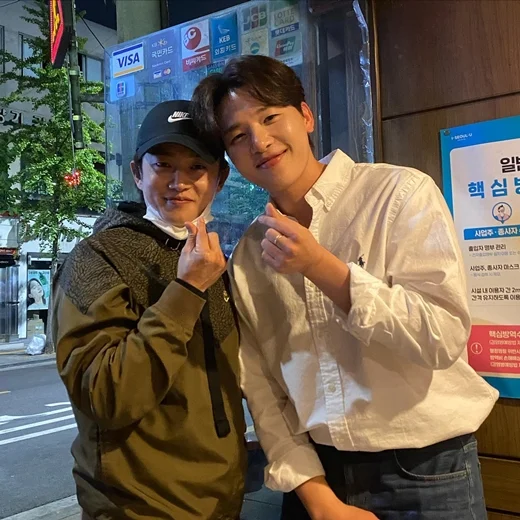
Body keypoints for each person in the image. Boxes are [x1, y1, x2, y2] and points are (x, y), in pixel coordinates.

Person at [192, 55, 498, 520]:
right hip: (318, 482)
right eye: (238, 136)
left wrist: (321, 267)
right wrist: (316, 497)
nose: (260, 141)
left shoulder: (397, 194)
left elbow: (442, 337)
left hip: (427, 474)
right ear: (231, 159)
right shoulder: (250, 255)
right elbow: (263, 388)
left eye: (270, 117)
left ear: (306, 115)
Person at [52, 100, 247, 520]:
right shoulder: (97, 257)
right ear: (138, 173)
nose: (180, 182)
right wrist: (187, 289)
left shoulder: (215, 258)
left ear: (219, 179)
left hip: (222, 502)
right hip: (137, 507)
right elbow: (105, 394)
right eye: (163, 165)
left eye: (197, 167)